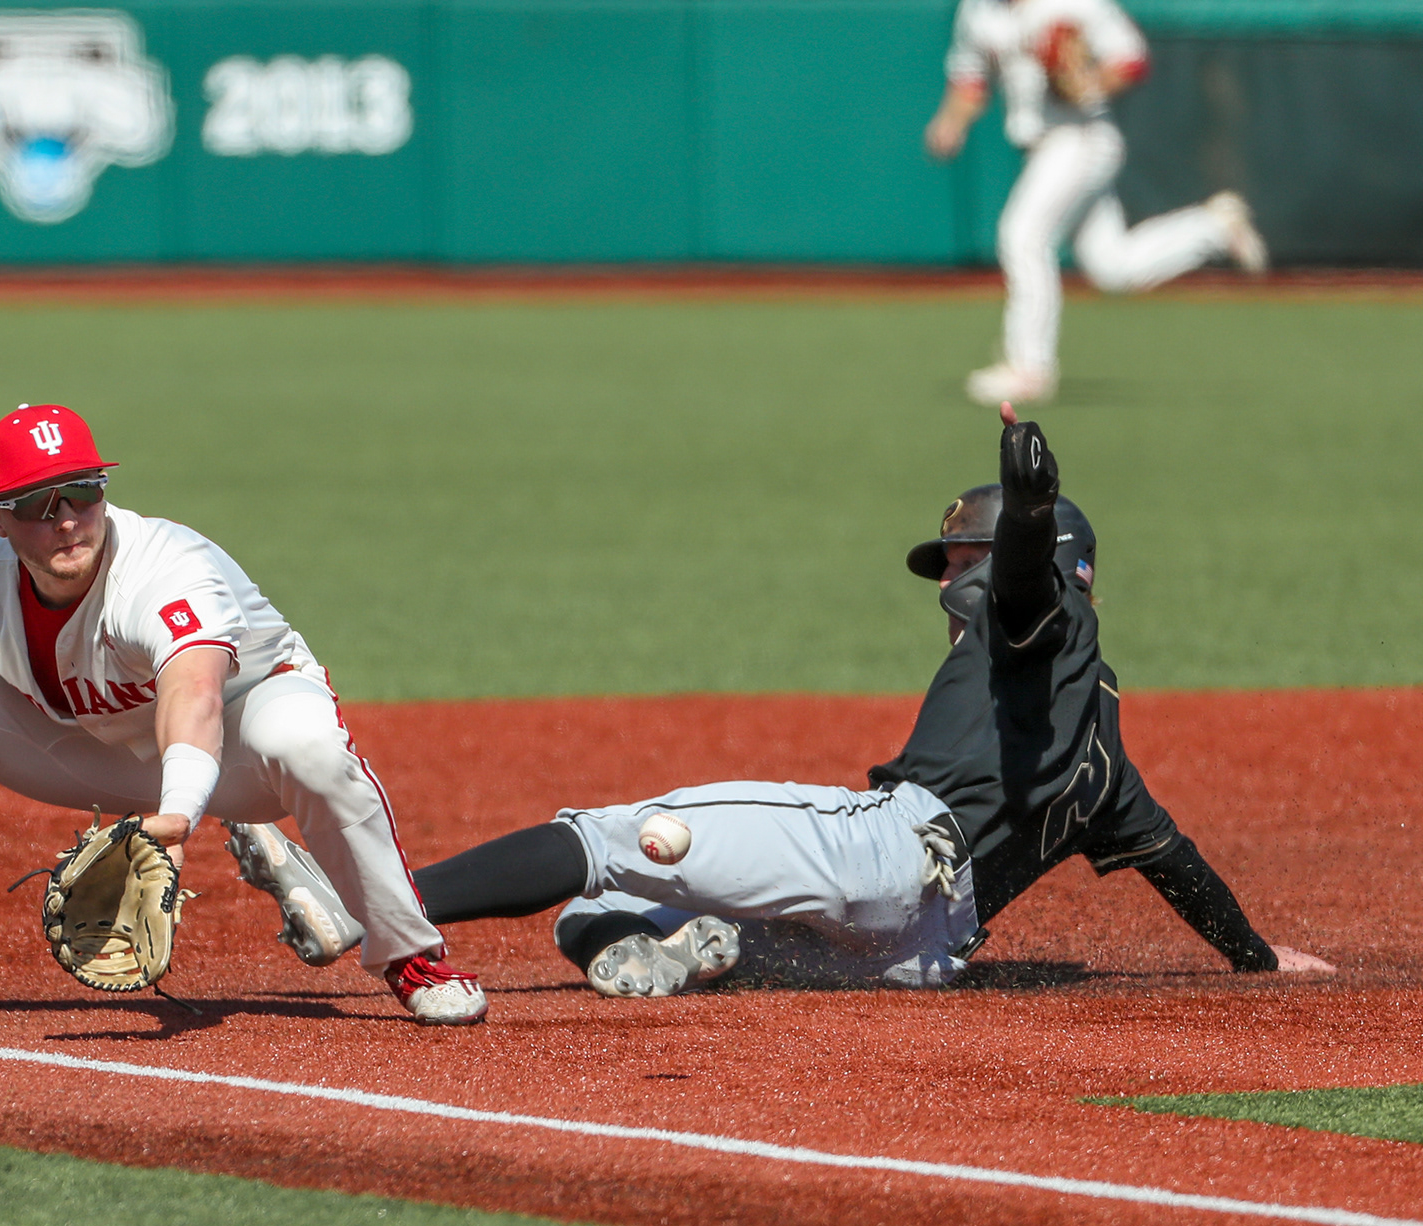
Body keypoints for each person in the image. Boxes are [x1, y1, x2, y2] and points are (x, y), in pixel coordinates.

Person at [406, 407, 1334, 995]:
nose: (948, 585)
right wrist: (1256, 958)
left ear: (1047, 563)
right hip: (915, 956)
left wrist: (1027, 503)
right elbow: (1178, 864)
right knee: (598, 911)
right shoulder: (1107, 753)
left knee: (605, 841)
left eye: (964, 562)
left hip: (883, 853)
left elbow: (1023, 586)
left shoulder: (1044, 627)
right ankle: (688, 948)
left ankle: (389, 904)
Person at [0, 404, 486, 1026]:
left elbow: (195, 693)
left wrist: (180, 811)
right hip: (92, 745)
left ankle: (412, 958)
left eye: (82, 492)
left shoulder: (165, 569)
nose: (68, 518)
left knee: (305, 740)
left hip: (242, 739)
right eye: (38, 505)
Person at [924, 0, 1270, 407]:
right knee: (1113, 267)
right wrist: (952, 122)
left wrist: (1086, 83)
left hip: (1080, 137)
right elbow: (971, 78)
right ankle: (1214, 228)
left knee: (1023, 237)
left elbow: (1133, 59)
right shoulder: (979, 11)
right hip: (1040, 146)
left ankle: (1028, 367)